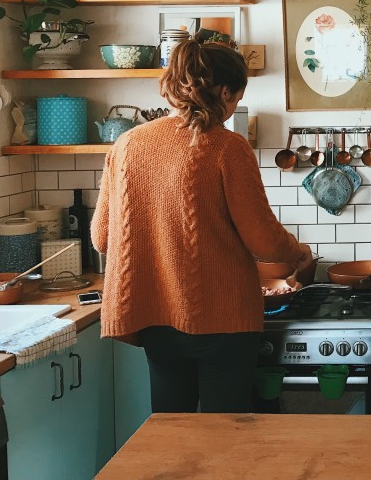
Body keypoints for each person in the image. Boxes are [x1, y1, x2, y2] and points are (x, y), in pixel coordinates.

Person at [91, 36, 313, 413]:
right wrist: (300, 254)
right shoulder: (227, 147)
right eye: (237, 97)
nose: (234, 107)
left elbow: (101, 238)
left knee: (171, 430)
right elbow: (264, 242)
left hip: (156, 319)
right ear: (225, 91)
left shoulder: (126, 145)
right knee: (224, 436)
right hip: (225, 320)